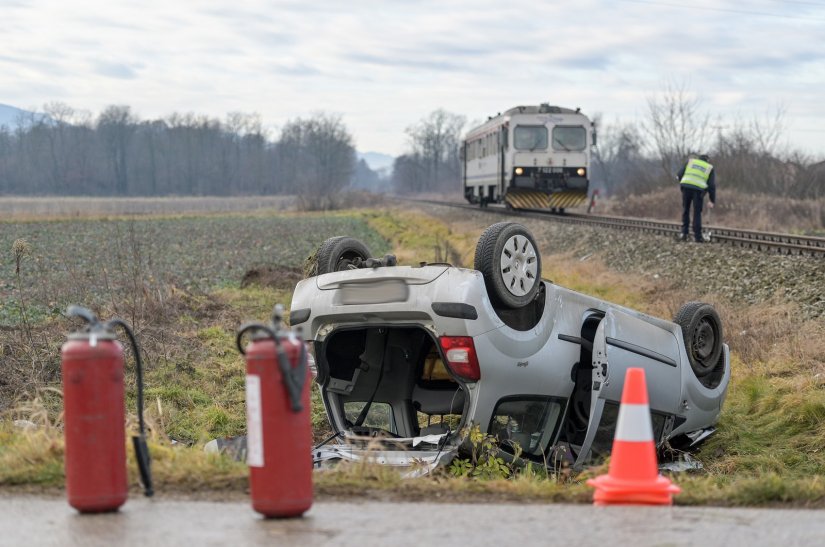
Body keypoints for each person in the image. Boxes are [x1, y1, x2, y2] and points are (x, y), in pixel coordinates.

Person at [677, 154, 716, 242]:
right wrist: (712, 200)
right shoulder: (709, 167)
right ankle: (697, 236)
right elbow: (712, 185)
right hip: (698, 190)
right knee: (697, 212)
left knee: (686, 209)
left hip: (686, 187)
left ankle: (684, 233)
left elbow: (679, 175)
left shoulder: (690, 162)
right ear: (708, 160)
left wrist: (683, 184)